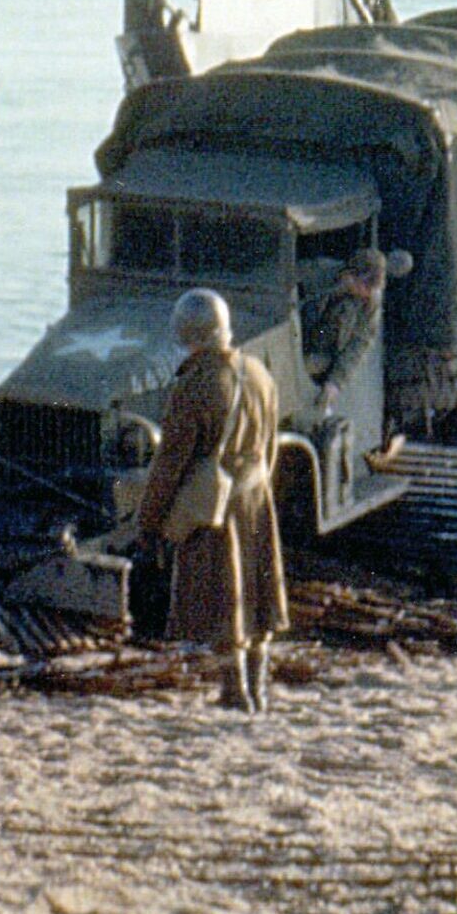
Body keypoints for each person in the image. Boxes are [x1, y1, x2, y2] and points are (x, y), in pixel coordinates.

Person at [136, 288, 288, 714]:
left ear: (188, 335)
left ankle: (234, 690)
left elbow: (170, 464)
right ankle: (258, 689)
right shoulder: (259, 373)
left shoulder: (196, 384)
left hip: (216, 505)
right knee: (258, 594)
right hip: (257, 495)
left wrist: (149, 522)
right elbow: (272, 445)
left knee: (225, 595)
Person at [305, 247, 387, 413]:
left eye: (372, 289)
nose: (368, 294)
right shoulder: (316, 273)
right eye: (365, 286)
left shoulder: (370, 302)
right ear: (350, 276)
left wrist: (336, 382)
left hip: (320, 355)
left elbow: (358, 345)